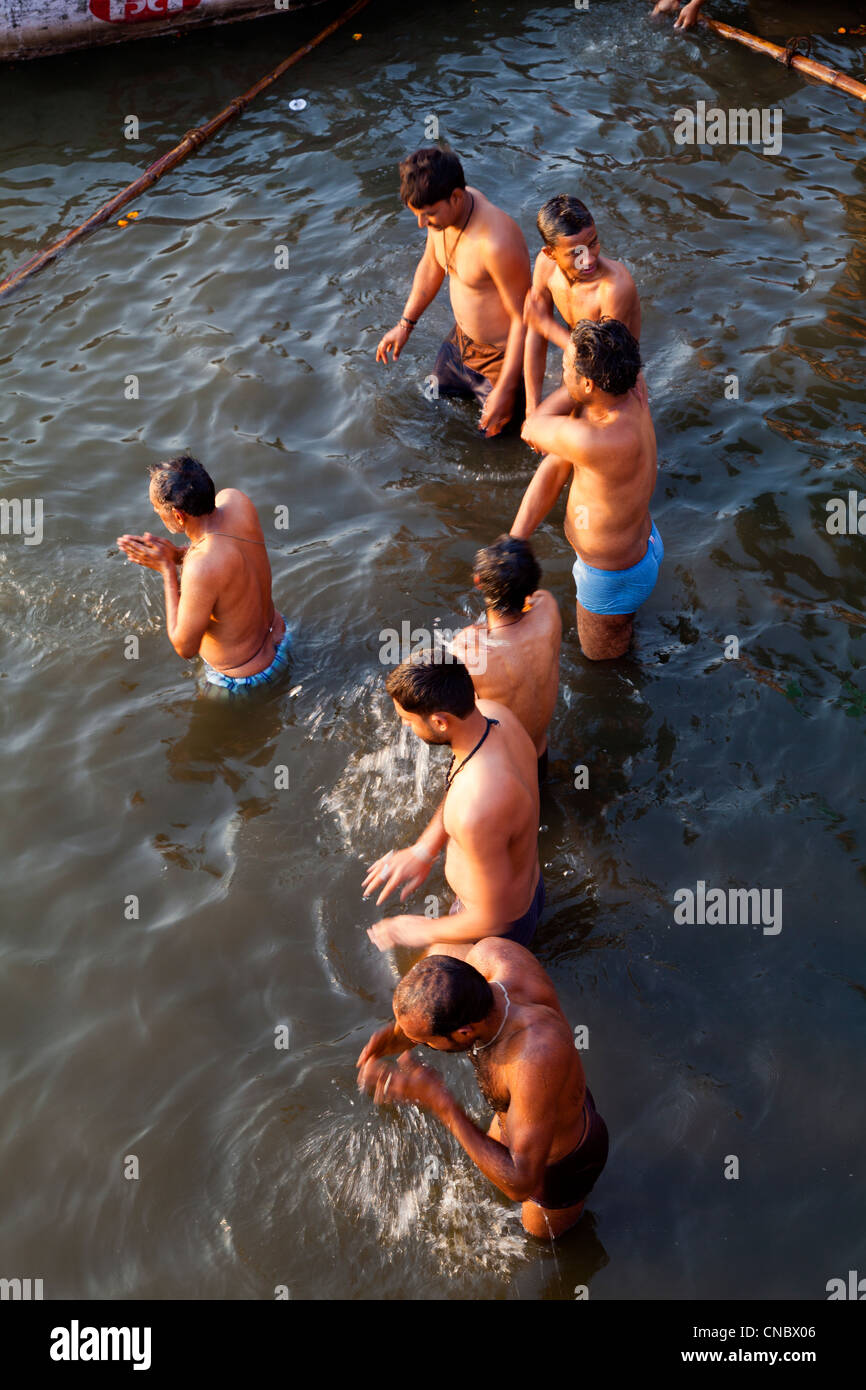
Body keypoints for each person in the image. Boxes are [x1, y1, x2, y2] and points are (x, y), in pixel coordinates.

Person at [356, 938, 609, 1239]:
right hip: (526, 1111)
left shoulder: (532, 1056)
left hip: (558, 1165)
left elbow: (521, 1183)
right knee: (486, 1165)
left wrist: (441, 1104)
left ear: (465, 1031)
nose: (418, 1045)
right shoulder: (489, 958)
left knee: (538, 1239)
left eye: (424, 1042)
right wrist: (394, 1037)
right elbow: (434, 1011)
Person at [363, 652, 543, 953]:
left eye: (408, 720)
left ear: (439, 722)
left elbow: (493, 919)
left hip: (495, 932)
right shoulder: (494, 715)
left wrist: (414, 929)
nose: (406, 727)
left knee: (426, 988)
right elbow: (464, 777)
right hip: (529, 887)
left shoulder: (477, 808)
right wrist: (424, 849)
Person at [511, 318, 661, 661]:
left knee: (603, 667)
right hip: (639, 547)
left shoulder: (595, 440)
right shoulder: (632, 384)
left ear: (591, 384)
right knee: (623, 630)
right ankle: (629, 630)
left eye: (567, 368)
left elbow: (531, 427)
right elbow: (557, 462)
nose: (562, 372)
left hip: (611, 578)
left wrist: (573, 384)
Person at [375, 147, 531, 437]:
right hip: (458, 344)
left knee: (495, 449)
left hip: (499, 360)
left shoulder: (496, 242)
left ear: (457, 197)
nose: (423, 224)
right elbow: (432, 263)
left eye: (428, 215)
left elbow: (525, 319)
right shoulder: (440, 216)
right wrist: (404, 326)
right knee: (429, 408)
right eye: (417, 215)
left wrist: (507, 388)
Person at [117, 454, 289, 694]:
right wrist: (177, 555)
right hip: (282, 637)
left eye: (157, 510)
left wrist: (167, 569)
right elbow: (224, 554)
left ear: (178, 515)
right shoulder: (237, 501)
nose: (157, 513)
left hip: (244, 679)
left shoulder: (201, 567)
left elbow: (184, 647)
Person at [450, 536, 561, 784]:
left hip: (503, 770)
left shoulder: (467, 652)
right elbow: (531, 604)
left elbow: (454, 720)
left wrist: (472, 634)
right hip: (539, 755)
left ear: (478, 582)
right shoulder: (549, 611)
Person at [524, 195, 640, 416]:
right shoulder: (545, 267)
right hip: (579, 369)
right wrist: (531, 406)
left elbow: (603, 363)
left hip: (610, 384)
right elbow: (535, 335)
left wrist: (547, 326)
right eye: (576, 252)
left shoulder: (614, 287)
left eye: (593, 243)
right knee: (535, 424)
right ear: (550, 253)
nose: (588, 259)